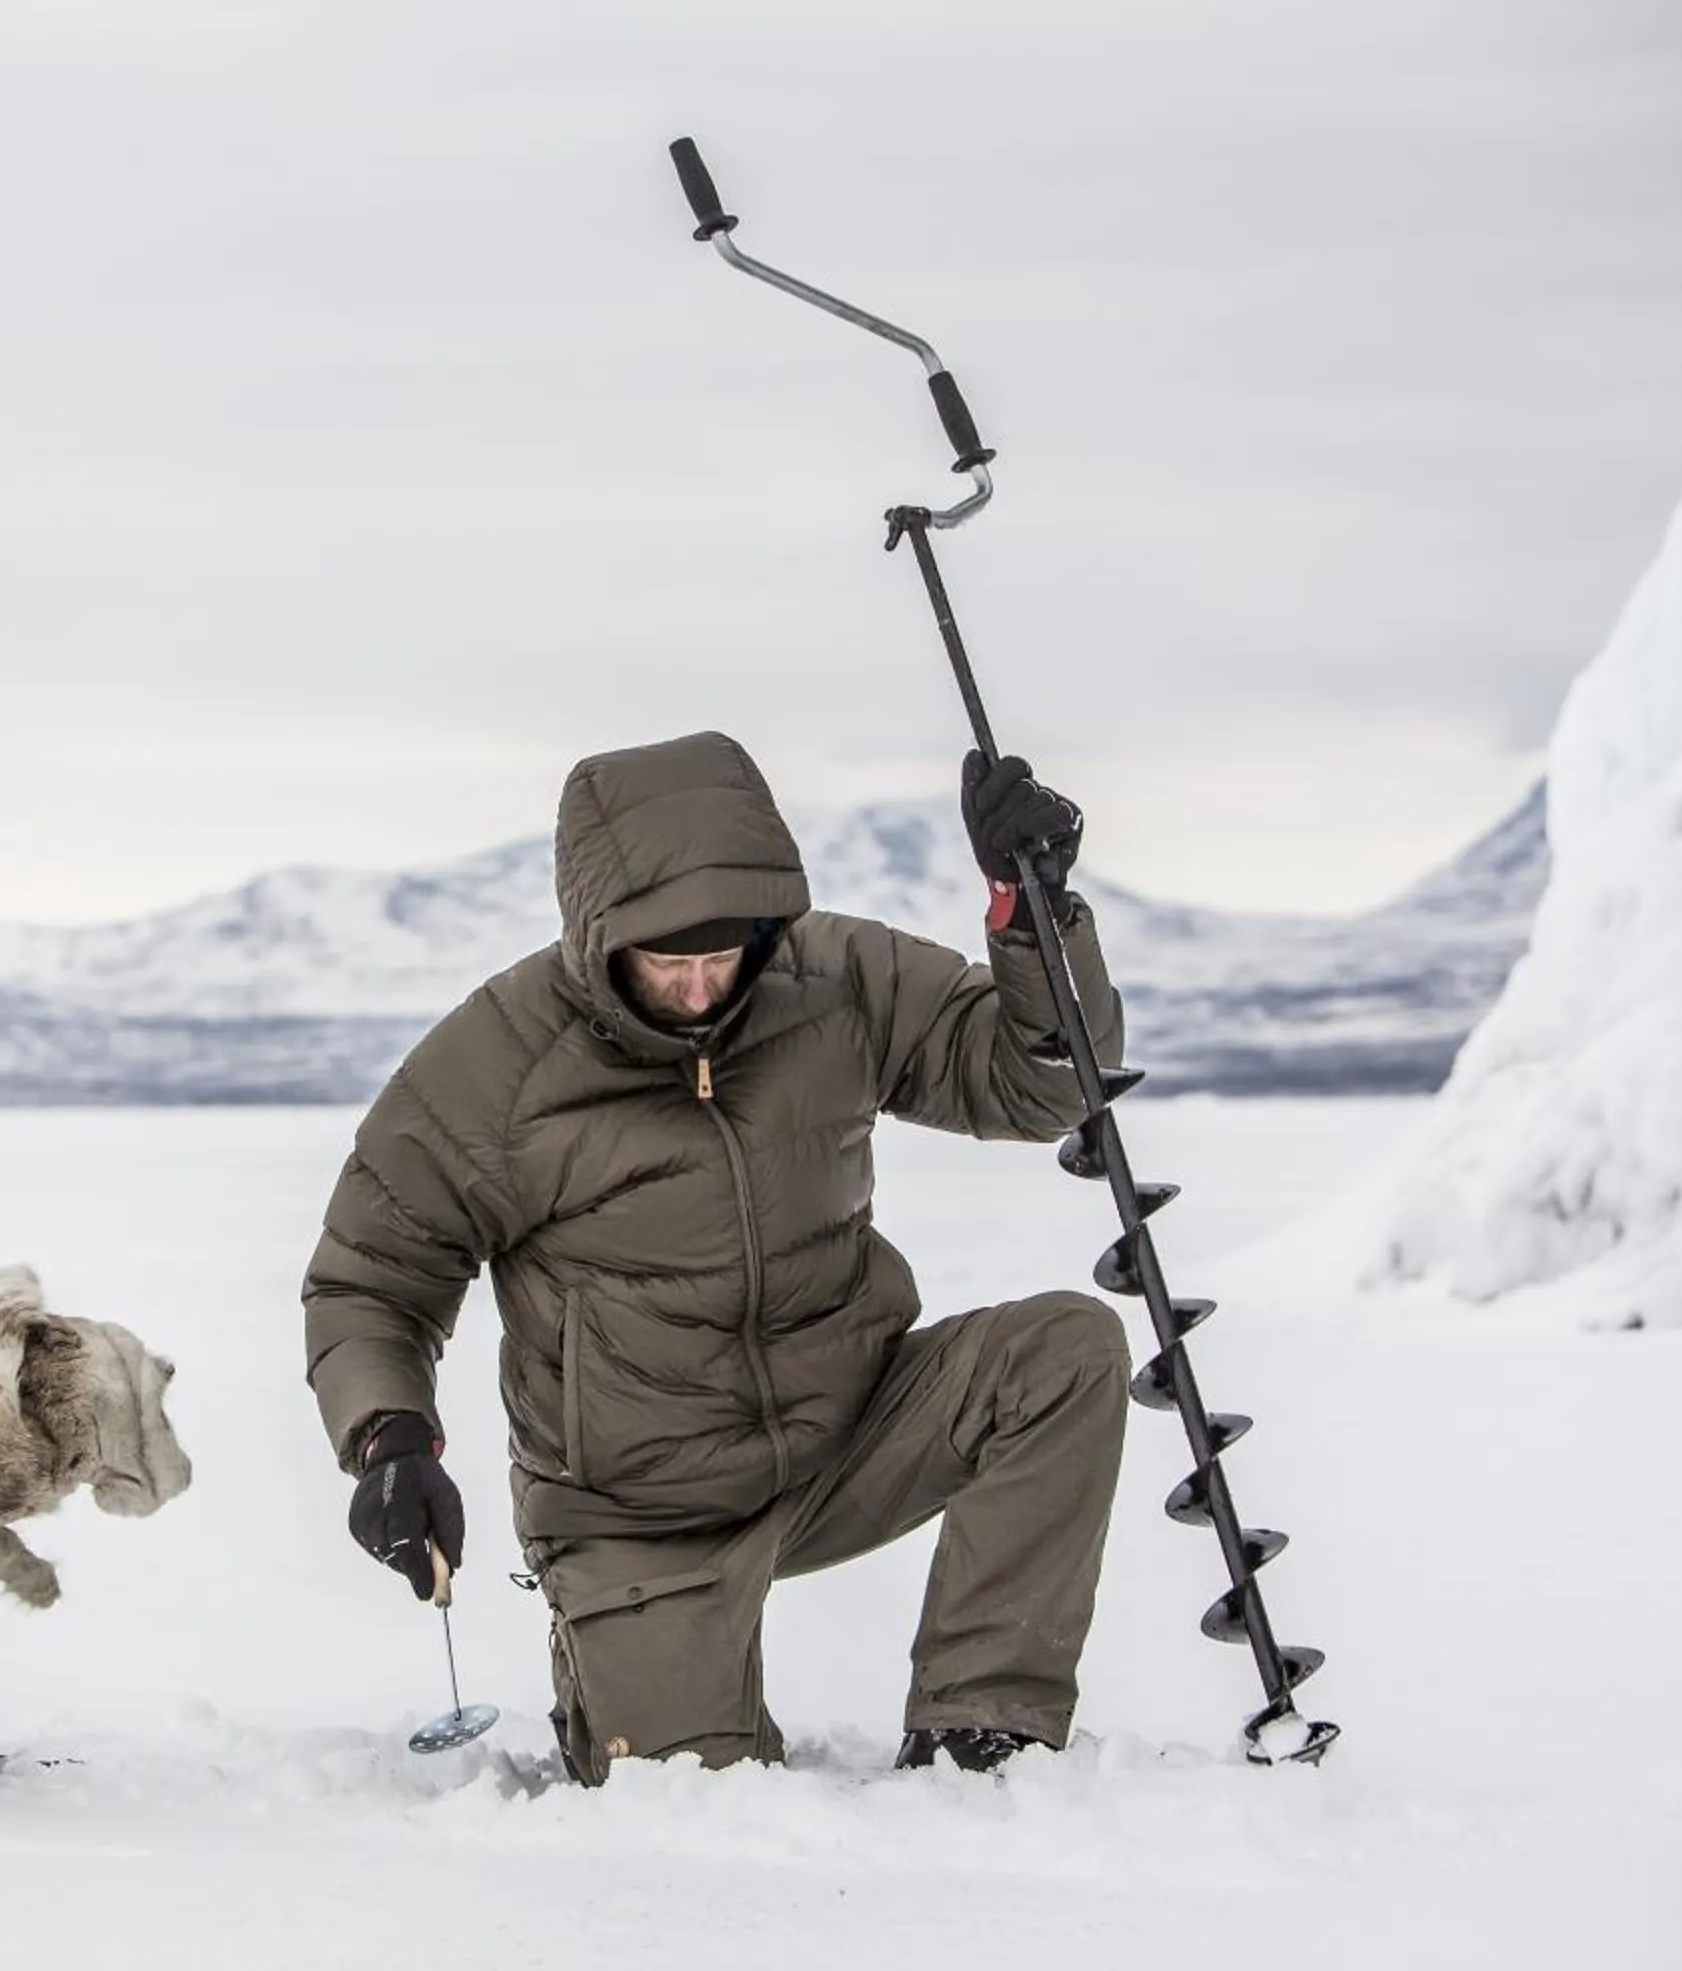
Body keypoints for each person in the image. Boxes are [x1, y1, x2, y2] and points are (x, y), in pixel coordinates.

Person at [302, 729, 1133, 1783]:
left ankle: (985, 1724)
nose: (700, 988)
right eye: (665, 960)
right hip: (636, 1511)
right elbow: (372, 1275)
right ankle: (617, 1665)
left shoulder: (835, 978)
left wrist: (1033, 915)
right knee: (694, 1797)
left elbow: (1045, 1083)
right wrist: (391, 1437)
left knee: (1064, 1351)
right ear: (599, 934)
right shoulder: (495, 1066)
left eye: (721, 955)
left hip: (847, 1427)